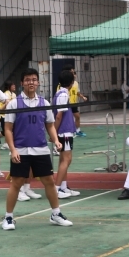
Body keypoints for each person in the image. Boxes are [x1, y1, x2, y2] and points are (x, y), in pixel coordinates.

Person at [0, 69, 72, 230]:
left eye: (33, 79)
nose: (31, 82)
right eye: (27, 80)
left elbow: (50, 126)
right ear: (22, 83)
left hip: (41, 149)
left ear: (38, 82)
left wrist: (56, 140)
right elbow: (8, 129)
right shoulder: (14, 104)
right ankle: (8, 218)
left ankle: (56, 214)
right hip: (21, 150)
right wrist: (13, 150)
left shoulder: (44, 103)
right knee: (16, 183)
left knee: (49, 181)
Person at [53, 69, 80, 198]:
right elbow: (59, 116)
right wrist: (54, 133)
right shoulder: (63, 95)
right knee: (67, 160)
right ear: (71, 82)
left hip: (64, 132)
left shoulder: (61, 93)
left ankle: (63, 187)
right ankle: (56, 189)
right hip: (64, 132)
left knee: (63, 160)